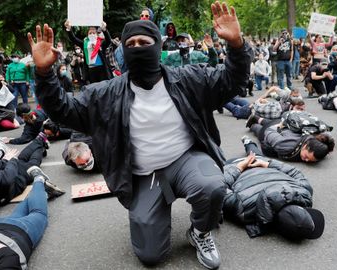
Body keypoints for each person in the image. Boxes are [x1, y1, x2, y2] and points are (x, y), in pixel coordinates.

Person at [28, 2, 251, 268]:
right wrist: (43, 73)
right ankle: (157, 213)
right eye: (130, 43)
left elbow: (232, 80)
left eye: (143, 41)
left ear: (157, 46)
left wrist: (237, 45)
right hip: (145, 175)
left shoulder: (188, 79)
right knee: (150, 256)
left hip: (185, 160)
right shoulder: (105, 93)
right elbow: (62, 108)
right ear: (123, 49)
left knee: (213, 186)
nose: (136, 47)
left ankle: (200, 231)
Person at [221, 136, 325, 239]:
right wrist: (265, 164)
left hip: (235, 165)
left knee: (218, 157)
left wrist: (239, 167)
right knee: (253, 153)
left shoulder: (304, 190)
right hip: (247, 165)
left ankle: (248, 144)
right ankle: (248, 143)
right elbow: (221, 189)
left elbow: (220, 188)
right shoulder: (245, 212)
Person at [0, 137, 62, 209]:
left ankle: (39, 141)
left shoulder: (2, 178)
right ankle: (40, 145)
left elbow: (2, 168)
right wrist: (8, 159)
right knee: (30, 161)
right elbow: (1, 167)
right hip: (19, 180)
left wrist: (9, 159)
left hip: (16, 173)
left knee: (24, 159)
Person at [248, 117, 334, 163]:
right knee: (259, 130)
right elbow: (269, 131)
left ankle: (258, 118)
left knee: (272, 121)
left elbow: (327, 141)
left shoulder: (318, 141)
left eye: (311, 161)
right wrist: (278, 126)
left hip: (287, 125)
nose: (306, 160)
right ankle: (253, 124)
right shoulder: (285, 146)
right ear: (305, 146)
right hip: (272, 130)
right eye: (307, 157)